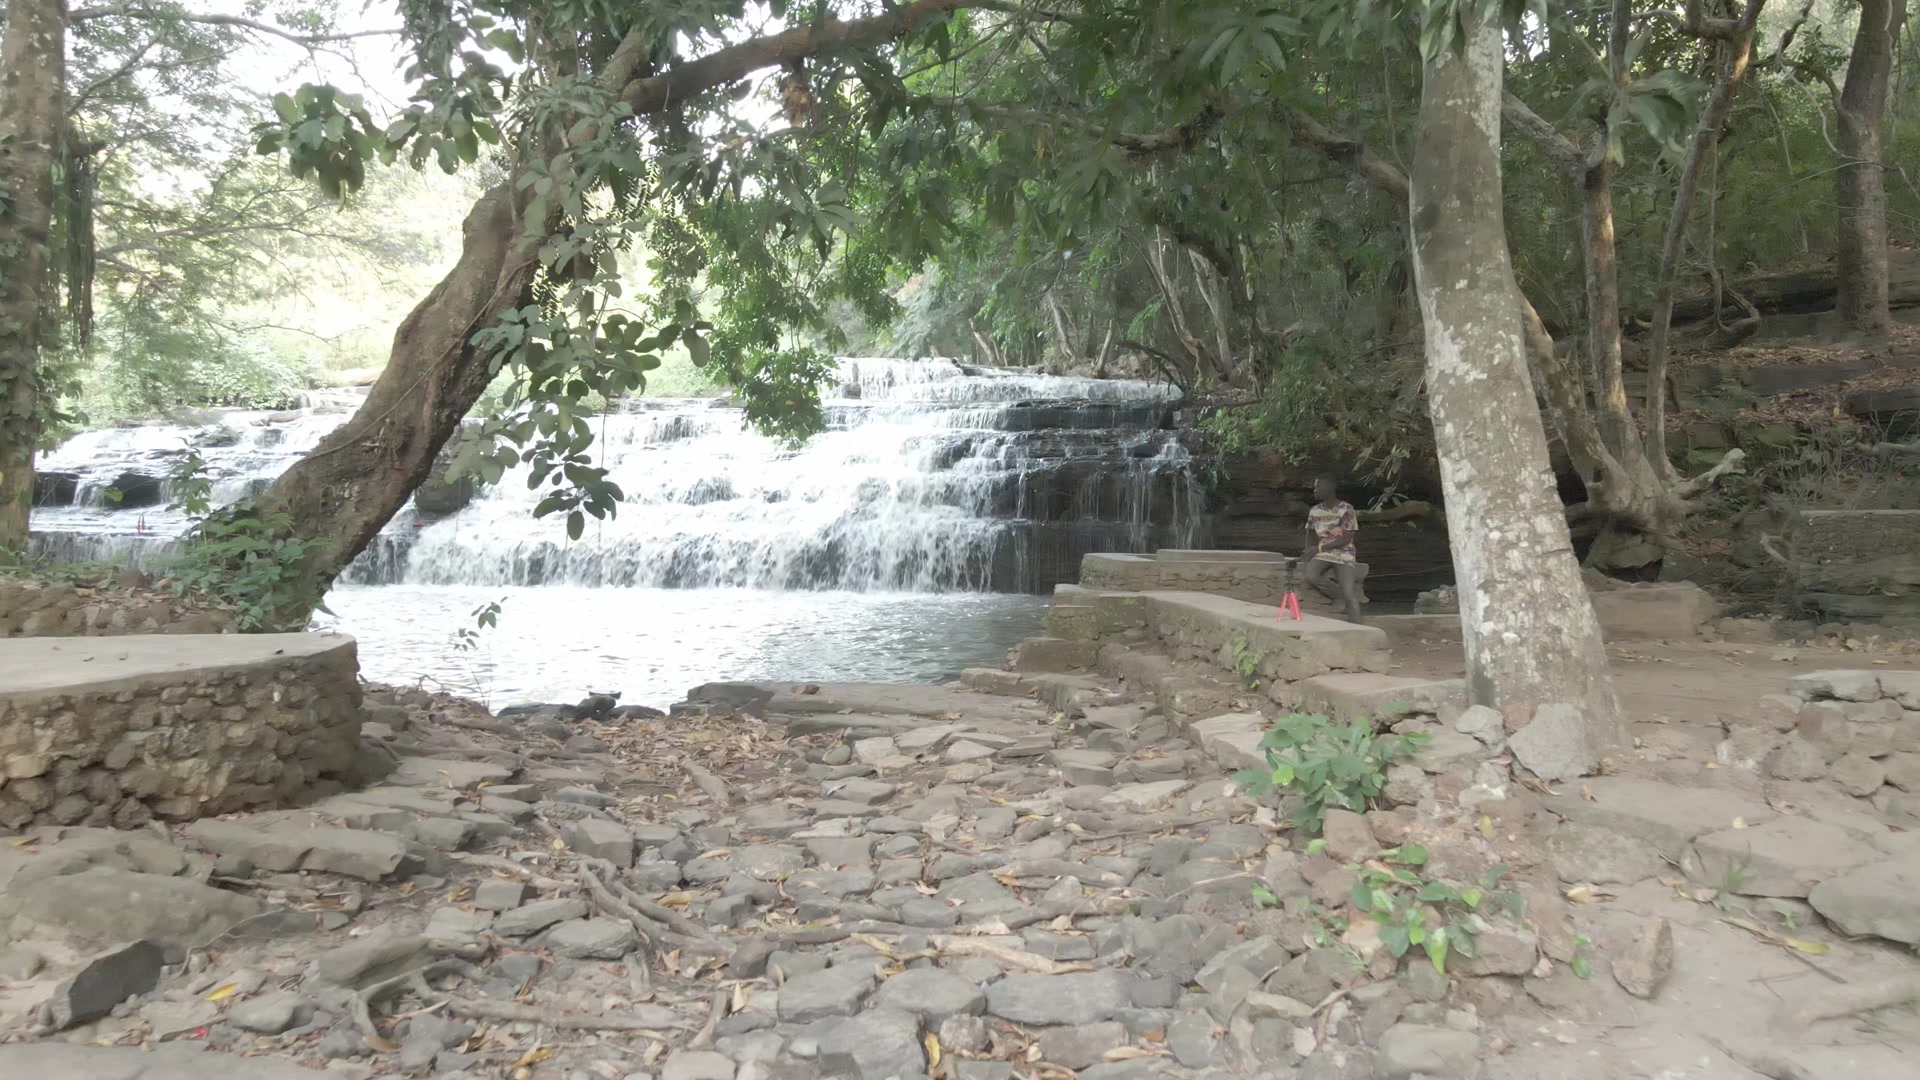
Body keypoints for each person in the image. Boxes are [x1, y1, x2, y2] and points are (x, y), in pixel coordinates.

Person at [1301, 475, 1364, 624]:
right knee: (1311, 575)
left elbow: (1346, 538)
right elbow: (1310, 532)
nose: (1314, 490)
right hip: (1323, 554)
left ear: (1329, 488)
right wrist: (1308, 550)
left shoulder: (1346, 508)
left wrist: (1318, 548)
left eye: (1318, 487)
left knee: (1350, 593)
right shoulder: (1314, 510)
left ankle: (1358, 628)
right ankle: (1337, 595)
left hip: (1344, 554)